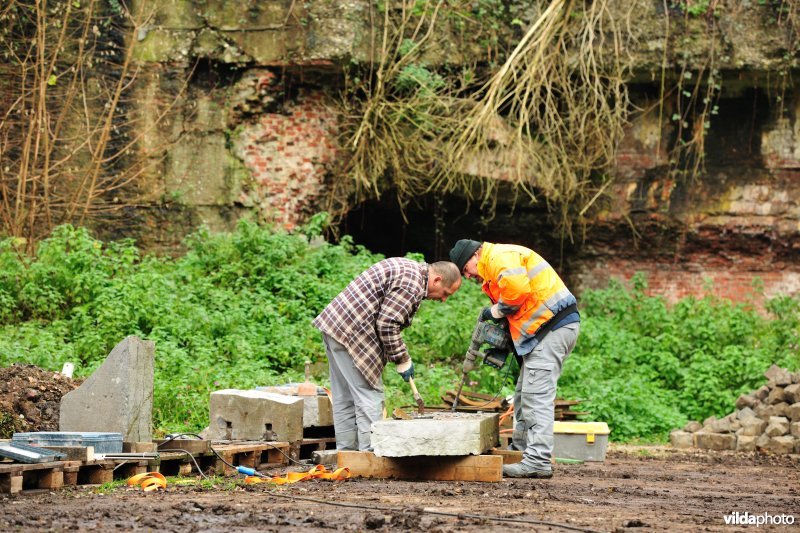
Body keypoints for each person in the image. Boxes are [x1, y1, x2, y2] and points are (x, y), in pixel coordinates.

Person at [449, 239, 580, 479]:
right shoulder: (495, 267)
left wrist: (495, 312)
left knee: (536, 397)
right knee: (522, 395)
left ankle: (538, 461)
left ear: (475, 255)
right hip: (544, 331)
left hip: (551, 329)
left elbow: (517, 292)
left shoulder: (500, 256)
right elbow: (519, 306)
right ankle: (521, 452)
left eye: (465, 269)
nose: (467, 276)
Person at [313, 258, 462, 451]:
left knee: (345, 397)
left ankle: (347, 454)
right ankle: (370, 455)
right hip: (352, 333)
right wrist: (402, 359)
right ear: (437, 280)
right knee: (370, 395)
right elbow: (387, 324)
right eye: (445, 293)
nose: (443, 299)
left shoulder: (410, 269)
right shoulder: (412, 284)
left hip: (335, 326)